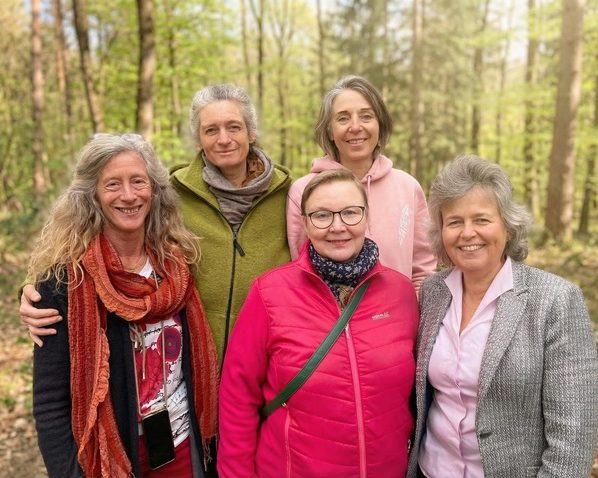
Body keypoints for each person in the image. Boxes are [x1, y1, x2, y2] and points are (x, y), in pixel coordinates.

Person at [21, 84, 291, 365]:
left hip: (266, 361)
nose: (224, 139)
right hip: (191, 364)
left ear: (251, 132)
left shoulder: (289, 196)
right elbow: (87, 230)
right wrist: (33, 289)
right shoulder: (172, 192)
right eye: (211, 130)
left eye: (234, 127)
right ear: (198, 139)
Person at [29, 133, 218, 477]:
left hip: (182, 448)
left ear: (154, 190)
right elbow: (50, 403)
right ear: (93, 195)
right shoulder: (64, 283)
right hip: (111, 459)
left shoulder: (178, 267)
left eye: (138, 181)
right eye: (113, 184)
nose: (129, 195)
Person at [218, 169, 419, 477]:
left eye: (350, 212)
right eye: (322, 215)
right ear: (305, 223)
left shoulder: (401, 293)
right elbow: (238, 396)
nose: (337, 226)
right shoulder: (269, 293)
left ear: (367, 217)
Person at [406, 155, 598, 478]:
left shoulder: (554, 300)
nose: (468, 233)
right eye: (455, 222)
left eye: (482, 220)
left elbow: (574, 437)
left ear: (507, 227)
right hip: (431, 470)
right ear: (441, 232)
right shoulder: (433, 292)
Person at [286, 75, 435, 291]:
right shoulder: (303, 190)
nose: (355, 127)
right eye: (343, 118)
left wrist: (411, 307)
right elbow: (299, 270)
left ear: (380, 124)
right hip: (327, 312)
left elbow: (423, 271)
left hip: (398, 311)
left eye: (366, 116)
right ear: (329, 130)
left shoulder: (407, 187)